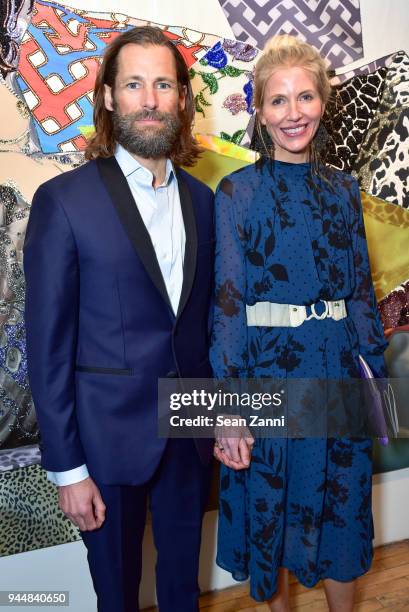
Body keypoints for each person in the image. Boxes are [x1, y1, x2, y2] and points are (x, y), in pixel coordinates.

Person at [23, 26, 214, 612]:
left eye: (163, 84)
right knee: (117, 597)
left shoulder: (206, 202)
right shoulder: (64, 201)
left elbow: (208, 327)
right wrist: (67, 470)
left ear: (182, 98)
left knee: (185, 590)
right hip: (105, 447)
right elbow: (47, 348)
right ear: (108, 96)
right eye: (134, 84)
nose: (150, 100)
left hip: (189, 433)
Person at [210, 35, 388, 612]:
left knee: (343, 513)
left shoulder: (343, 189)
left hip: (335, 367)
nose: (294, 113)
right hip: (266, 374)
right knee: (271, 513)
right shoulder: (236, 191)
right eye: (279, 101)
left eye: (305, 97)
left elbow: (360, 291)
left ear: (321, 102)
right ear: (260, 112)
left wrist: (379, 387)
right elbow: (228, 307)